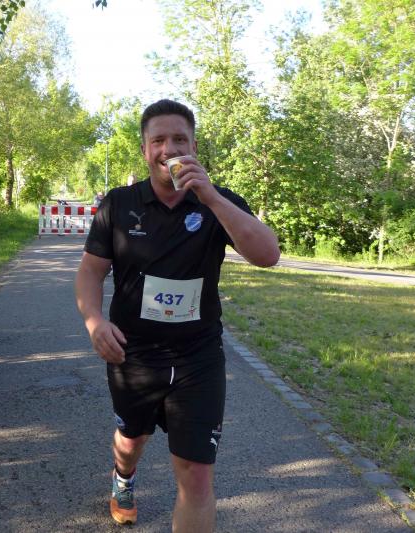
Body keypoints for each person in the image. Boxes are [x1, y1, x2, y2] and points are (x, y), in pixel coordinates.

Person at [75, 99, 280, 531]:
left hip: (197, 358)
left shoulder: (218, 201)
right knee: (131, 441)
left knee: (197, 475)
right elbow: (90, 273)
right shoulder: (119, 204)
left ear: (194, 146)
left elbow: (267, 255)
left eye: (180, 139)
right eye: (159, 140)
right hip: (132, 354)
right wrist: (95, 322)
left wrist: (210, 197)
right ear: (145, 150)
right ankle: (123, 479)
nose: (169, 149)